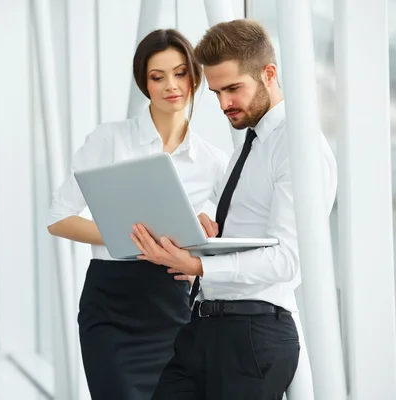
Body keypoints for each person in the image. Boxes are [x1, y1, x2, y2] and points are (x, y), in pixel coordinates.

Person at [130, 19, 337, 399]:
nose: (225, 103)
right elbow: (253, 234)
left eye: (233, 89)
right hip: (205, 328)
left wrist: (201, 265)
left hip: (252, 337)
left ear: (269, 74)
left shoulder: (298, 148)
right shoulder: (250, 143)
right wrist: (210, 238)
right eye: (216, 92)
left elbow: (289, 259)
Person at [47, 29, 229, 400]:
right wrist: (127, 234)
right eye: (157, 77)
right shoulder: (110, 140)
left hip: (172, 306)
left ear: (195, 76)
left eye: (179, 73)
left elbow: (222, 238)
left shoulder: (213, 162)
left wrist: (205, 235)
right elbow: (58, 218)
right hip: (111, 305)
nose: (171, 86)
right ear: (144, 84)